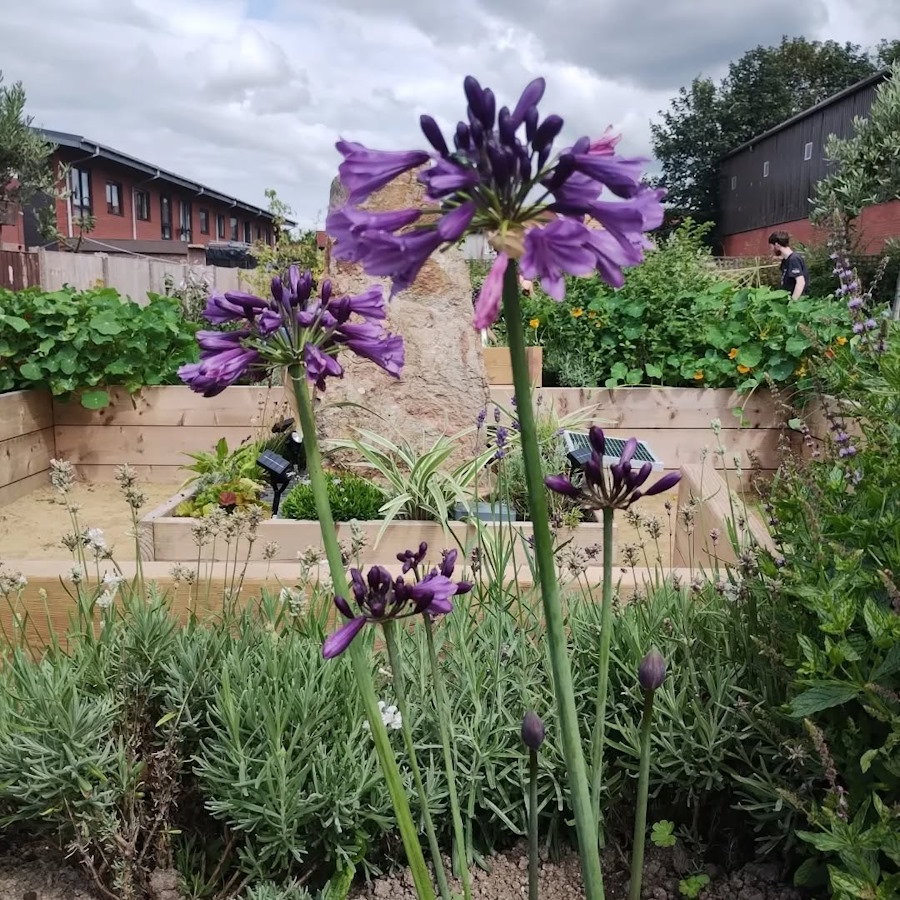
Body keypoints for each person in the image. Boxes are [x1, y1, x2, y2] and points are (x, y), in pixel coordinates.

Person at [768, 231, 809, 299]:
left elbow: (800, 282)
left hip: (797, 303)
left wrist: (793, 302)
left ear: (777, 245)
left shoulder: (793, 259)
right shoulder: (785, 260)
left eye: (772, 247)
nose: (771, 250)